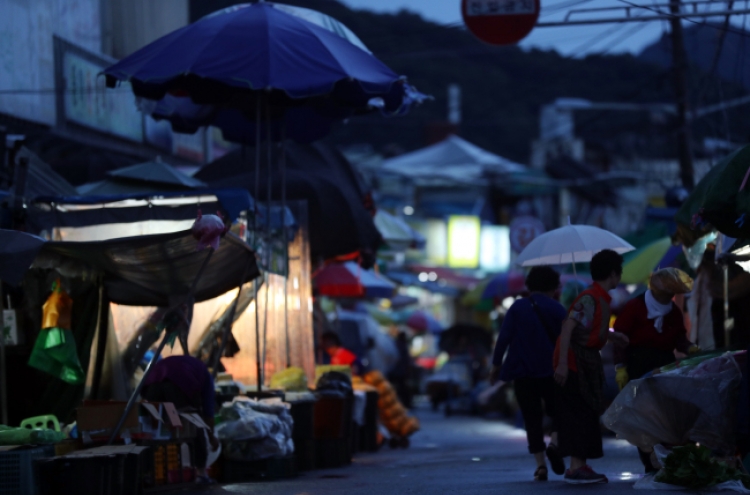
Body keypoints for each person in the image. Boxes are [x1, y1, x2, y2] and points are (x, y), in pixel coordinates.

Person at [613, 267, 700, 473]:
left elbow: (679, 338)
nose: (669, 296)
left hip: (665, 366)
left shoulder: (673, 312)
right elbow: (620, 338)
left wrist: (690, 348)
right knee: (644, 417)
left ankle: (666, 460)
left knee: (666, 416)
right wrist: (621, 367)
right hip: (638, 363)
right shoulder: (635, 306)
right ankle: (649, 463)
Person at [553, 249, 629, 484]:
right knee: (581, 413)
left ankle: (571, 457)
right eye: (619, 273)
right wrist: (564, 364)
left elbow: (592, 330)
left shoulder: (599, 298)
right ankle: (576, 468)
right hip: (576, 362)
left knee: (583, 412)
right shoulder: (589, 298)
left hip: (584, 361)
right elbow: (567, 329)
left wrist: (615, 337)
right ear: (613, 274)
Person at [490, 266, 568, 481]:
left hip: (522, 372)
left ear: (529, 285)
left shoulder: (517, 308)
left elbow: (503, 339)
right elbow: (567, 343)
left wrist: (496, 366)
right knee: (559, 412)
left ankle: (541, 466)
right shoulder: (558, 309)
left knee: (531, 418)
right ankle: (554, 443)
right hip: (552, 372)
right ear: (553, 287)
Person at [141, 355, 218, 484]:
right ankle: (201, 473)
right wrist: (211, 437)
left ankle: (146, 473)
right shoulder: (206, 378)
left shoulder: (191, 366)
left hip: (151, 383)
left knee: (154, 428)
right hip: (178, 383)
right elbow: (208, 412)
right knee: (194, 424)